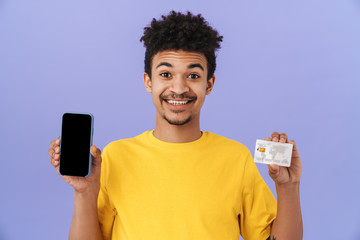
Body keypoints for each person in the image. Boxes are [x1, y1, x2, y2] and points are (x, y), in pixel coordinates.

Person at [48, 11, 303, 240]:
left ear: (209, 84)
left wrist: (287, 186)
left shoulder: (236, 158)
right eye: (166, 74)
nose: (179, 88)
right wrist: (84, 192)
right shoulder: (115, 157)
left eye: (193, 75)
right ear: (148, 81)